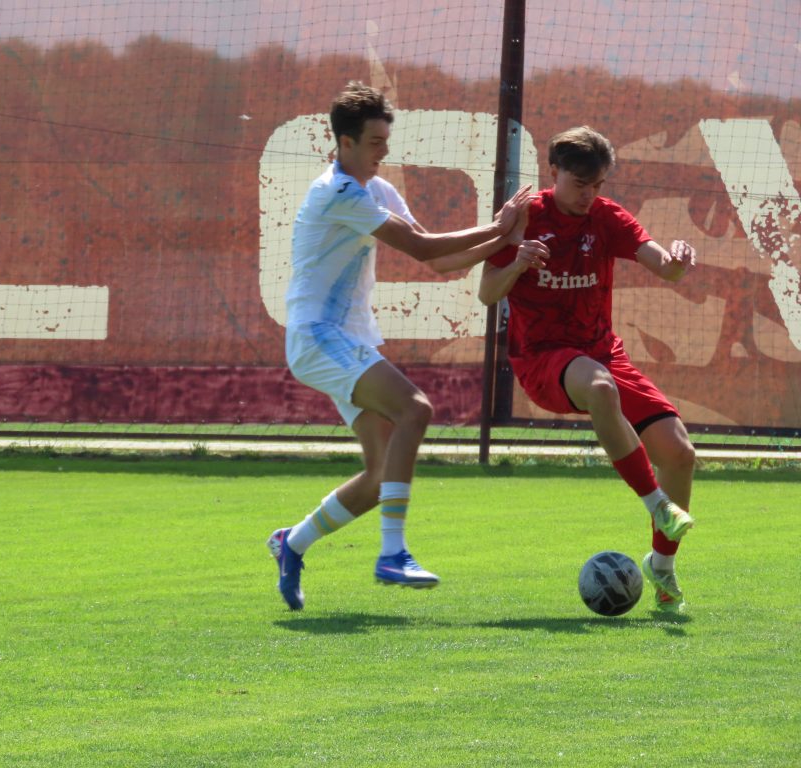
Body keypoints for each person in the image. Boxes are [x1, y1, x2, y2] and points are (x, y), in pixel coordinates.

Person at [267, 81, 532, 611]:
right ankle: (392, 553)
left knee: (379, 474)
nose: (383, 151)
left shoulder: (379, 190)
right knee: (416, 408)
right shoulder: (338, 191)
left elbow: (438, 262)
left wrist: (505, 242)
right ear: (344, 142)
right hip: (318, 338)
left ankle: (292, 543)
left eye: (386, 141)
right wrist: (499, 228)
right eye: (373, 142)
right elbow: (423, 247)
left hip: (348, 340)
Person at [478, 125, 697, 614]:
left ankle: (662, 569)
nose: (588, 195)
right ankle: (658, 505)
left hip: (601, 353)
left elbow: (664, 266)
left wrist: (679, 260)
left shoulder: (606, 217)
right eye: (580, 184)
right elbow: (487, 292)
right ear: (553, 171)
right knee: (599, 387)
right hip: (542, 359)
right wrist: (516, 262)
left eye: (597, 185)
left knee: (679, 453)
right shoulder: (523, 217)